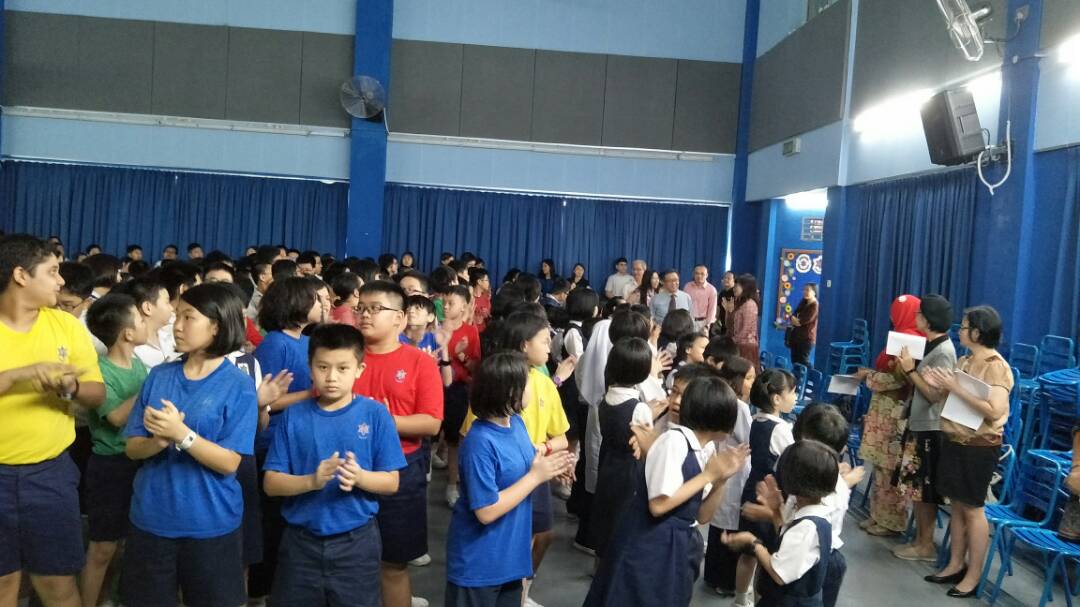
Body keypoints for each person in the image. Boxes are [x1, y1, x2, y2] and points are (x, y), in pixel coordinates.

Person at [121, 283, 258, 607]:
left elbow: (230, 462)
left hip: (210, 522)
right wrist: (158, 441)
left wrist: (181, 434)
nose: (177, 326)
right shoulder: (160, 376)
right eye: (177, 316)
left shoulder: (238, 385)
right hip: (152, 517)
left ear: (216, 326)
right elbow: (132, 447)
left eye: (188, 317)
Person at [263, 324, 406, 607]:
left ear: (359, 370)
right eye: (322, 367)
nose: (331, 377)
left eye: (342, 368)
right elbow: (271, 483)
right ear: (310, 368)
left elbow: (391, 482)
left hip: (356, 543)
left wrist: (360, 477)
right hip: (300, 544)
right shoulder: (294, 416)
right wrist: (311, 481)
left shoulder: (375, 414)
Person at [0, 234, 106, 607]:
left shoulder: (66, 325)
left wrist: (71, 386)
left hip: (50, 475)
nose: (61, 281)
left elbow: (97, 393)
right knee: (4, 584)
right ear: (20, 275)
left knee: (57, 585)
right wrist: (20, 375)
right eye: (52, 271)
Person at [583, 377, 750, 607]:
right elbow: (658, 505)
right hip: (650, 545)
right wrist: (708, 476)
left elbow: (702, 516)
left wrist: (721, 481)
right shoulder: (674, 441)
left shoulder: (703, 449)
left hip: (676, 545)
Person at [461, 312, 576, 606]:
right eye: (544, 340)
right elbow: (486, 510)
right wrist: (537, 474)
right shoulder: (481, 439)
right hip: (480, 562)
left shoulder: (518, 423)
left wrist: (551, 464)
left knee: (530, 539)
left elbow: (541, 449)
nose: (550, 346)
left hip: (512, 542)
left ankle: (522, 590)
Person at [352, 281, 444, 607]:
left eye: (376, 308)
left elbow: (431, 423)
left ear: (400, 318)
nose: (365, 314)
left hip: (401, 469)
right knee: (349, 562)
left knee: (393, 564)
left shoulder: (419, 362)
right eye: (361, 308)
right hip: (349, 468)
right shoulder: (344, 359)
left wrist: (387, 421)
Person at [922, 306, 1012, 599]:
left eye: (963, 327)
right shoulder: (964, 360)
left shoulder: (996, 366)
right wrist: (941, 386)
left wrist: (956, 388)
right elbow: (954, 400)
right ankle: (955, 564)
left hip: (979, 447)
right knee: (957, 506)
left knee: (973, 508)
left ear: (977, 332)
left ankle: (974, 575)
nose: (959, 331)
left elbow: (994, 410)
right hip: (955, 439)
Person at [250, 277, 322, 599]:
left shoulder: (306, 341)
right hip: (272, 444)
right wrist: (312, 394)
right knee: (270, 523)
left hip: (297, 440)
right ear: (297, 304)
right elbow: (264, 400)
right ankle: (260, 591)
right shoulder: (275, 344)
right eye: (316, 299)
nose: (322, 304)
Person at [80, 294, 150, 607]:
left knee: (126, 544)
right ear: (127, 334)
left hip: (138, 460)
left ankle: (110, 598)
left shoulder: (139, 365)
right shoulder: (100, 371)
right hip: (110, 466)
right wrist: (149, 387)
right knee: (102, 548)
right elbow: (117, 417)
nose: (145, 323)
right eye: (140, 319)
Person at [721, 440, 840, 607]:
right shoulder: (816, 513)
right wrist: (776, 510)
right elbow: (789, 541)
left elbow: (779, 573)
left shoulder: (808, 527)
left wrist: (753, 542)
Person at [892, 294, 956, 562]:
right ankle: (920, 540)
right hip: (919, 422)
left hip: (931, 427)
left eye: (919, 314)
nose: (915, 317)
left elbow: (933, 395)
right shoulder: (930, 345)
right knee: (916, 488)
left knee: (925, 490)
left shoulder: (944, 352)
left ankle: (926, 545)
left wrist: (910, 371)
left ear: (928, 320)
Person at [856, 294, 923, 537]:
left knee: (890, 468)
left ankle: (892, 522)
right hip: (882, 410)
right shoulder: (900, 336)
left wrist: (869, 377)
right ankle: (878, 515)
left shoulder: (911, 341)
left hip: (894, 412)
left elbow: (899, 379)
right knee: (879, 468)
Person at [733, 368, 798, 607]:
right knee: (766, 554)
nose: (796, 397)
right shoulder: (780, 429)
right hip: (769, 496)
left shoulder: (756, 420)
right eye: (793, 392)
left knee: (747, 552)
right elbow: (793, 459)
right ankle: (761, 599)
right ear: (777, 399)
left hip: (752, 489)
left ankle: (740, 599)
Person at [590, 337, 656, 557]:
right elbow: (646, 441)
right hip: (630, 469)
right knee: (624, 518)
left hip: (608, 463)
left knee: (607, 514)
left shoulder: (605, 399)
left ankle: (600, 560)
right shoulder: (639, 408)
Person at [703, 356, 756, 596]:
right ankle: (726, 582)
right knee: (730, 526)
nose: (752, 384)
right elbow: (749, 439)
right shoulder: (740, 407)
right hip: (735, 469)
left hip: (721, 464)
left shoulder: (720, 399)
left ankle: (712, 576)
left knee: (718, 523)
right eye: (749, 378)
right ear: (737, 380)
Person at [442, 285, 482, 507]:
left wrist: (461, 355)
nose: (446, 307)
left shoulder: (470, 331)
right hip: (436, 387)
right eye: (444, 303)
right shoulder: (435, 329)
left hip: (458, 390)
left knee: (454, 439)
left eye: (451, 303)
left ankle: (451, 485)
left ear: (464, 306)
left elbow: (475, 367)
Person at [725, 274, 761, 368]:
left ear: (746, 287)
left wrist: (731, 343)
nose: (734, 288)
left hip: (745, 347)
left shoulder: (749, 304)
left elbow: (745, 331)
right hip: (737, 345)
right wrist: (728, 312)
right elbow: (729, 326)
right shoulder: (739, 303)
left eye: (737, 286)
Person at [787, 283, 819, 367]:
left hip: (806, 339)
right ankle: (796, 376)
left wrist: (795, 320)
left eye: (807, 290)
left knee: (803, 362)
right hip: (796, 337)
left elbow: (801, 322)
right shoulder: (804, 302)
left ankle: (811, 374)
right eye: (804, 290)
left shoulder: (814, 306)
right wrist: (794, 319)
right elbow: (793, 316)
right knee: (795, 361)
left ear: (814, 292)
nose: (805, 292)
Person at [684, 265, 718, 332]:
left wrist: (707, 326)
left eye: (702, 274)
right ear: (693, 274)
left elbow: (712, 310)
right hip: (688, 321)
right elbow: (684, 304)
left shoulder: (712, 290)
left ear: (707, 275)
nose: (699, 276)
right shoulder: (687, 286)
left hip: (703, 322)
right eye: (697, 273)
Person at [711, 271, 737, 337]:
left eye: (728, 278)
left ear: (734, 280)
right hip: (722, 325)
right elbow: (718, 308)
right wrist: (714, 321)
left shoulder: (736, 293)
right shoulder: (722, 293)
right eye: (724, 278)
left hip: (733, 326)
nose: (726, 280)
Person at [469, 268, 493, 332]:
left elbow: (488, 314)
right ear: (479, 282)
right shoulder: (469, 297)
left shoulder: (487, 296)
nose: (488, 283)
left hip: (484, 331)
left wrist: (486, 314)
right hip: (472, 331)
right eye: (486, 280)